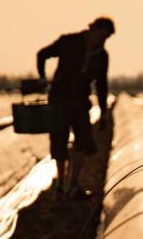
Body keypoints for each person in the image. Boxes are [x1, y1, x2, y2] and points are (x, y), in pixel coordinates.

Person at [37, 17, 114, 200]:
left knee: (83, 141)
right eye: (101, 36)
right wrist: (42, 77)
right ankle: (61, 184)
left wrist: (103, 110)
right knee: (59, 140)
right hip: (59, 98)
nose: (102, 41)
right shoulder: (69, 42)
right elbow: (42, 54)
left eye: (106, 38)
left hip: (80, 100)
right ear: (93, 30)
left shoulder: (101, 55)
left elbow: (101, 84)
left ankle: (73, 185)